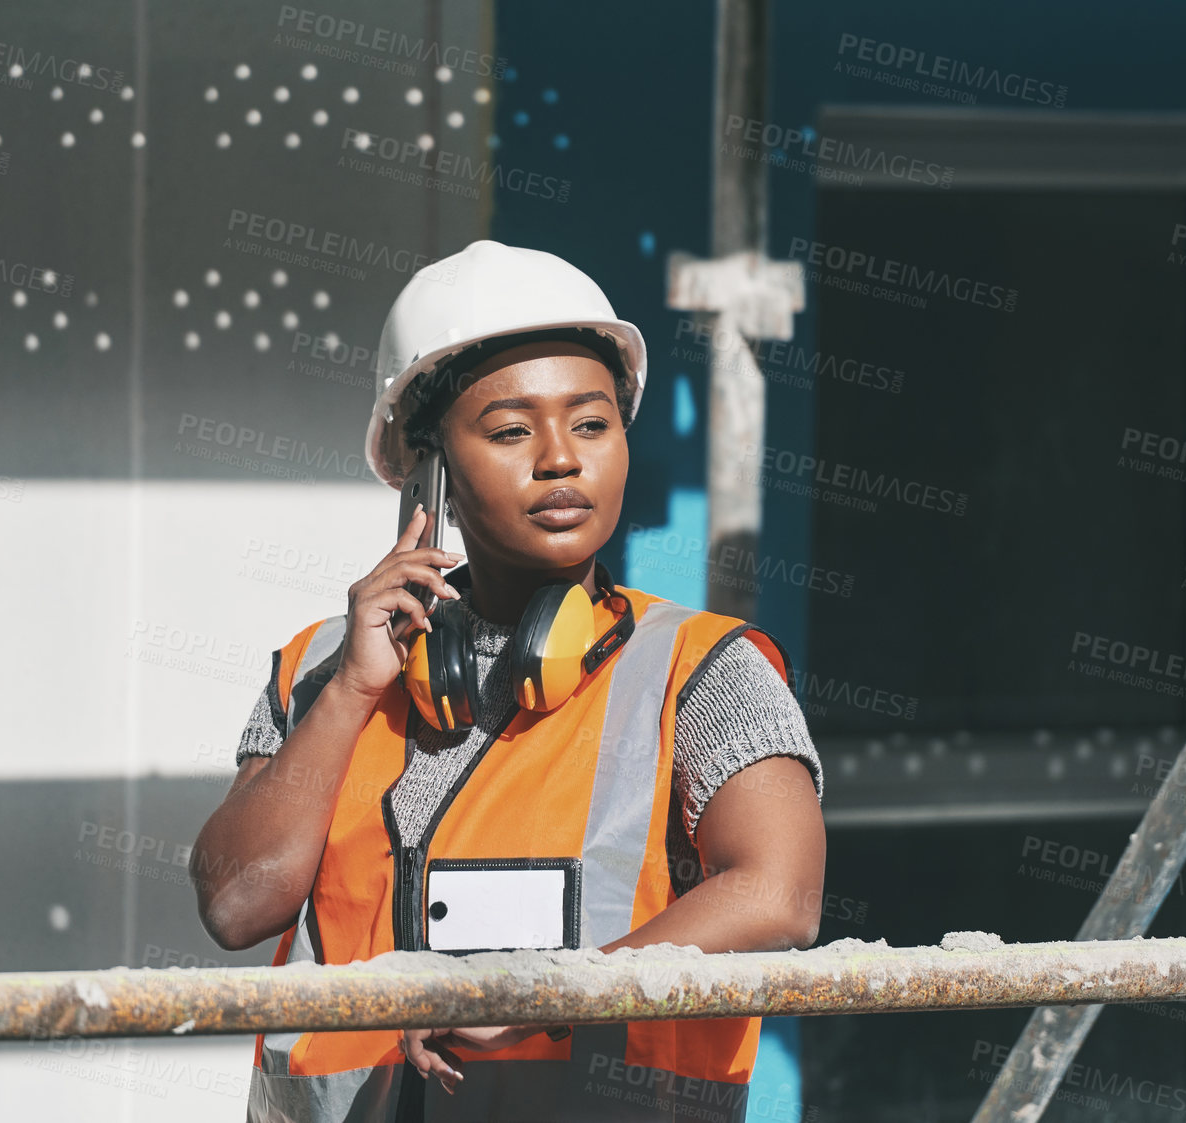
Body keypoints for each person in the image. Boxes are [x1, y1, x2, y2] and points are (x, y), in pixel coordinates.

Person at [191, 240, 827, 1122]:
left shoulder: (702, 668)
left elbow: (780, 893)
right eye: (511, 430)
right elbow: (234, 901)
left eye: (592, 423)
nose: (562, 458)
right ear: (430, 463)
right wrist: (348, 693)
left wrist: (545, 994)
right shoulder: (320, 667)